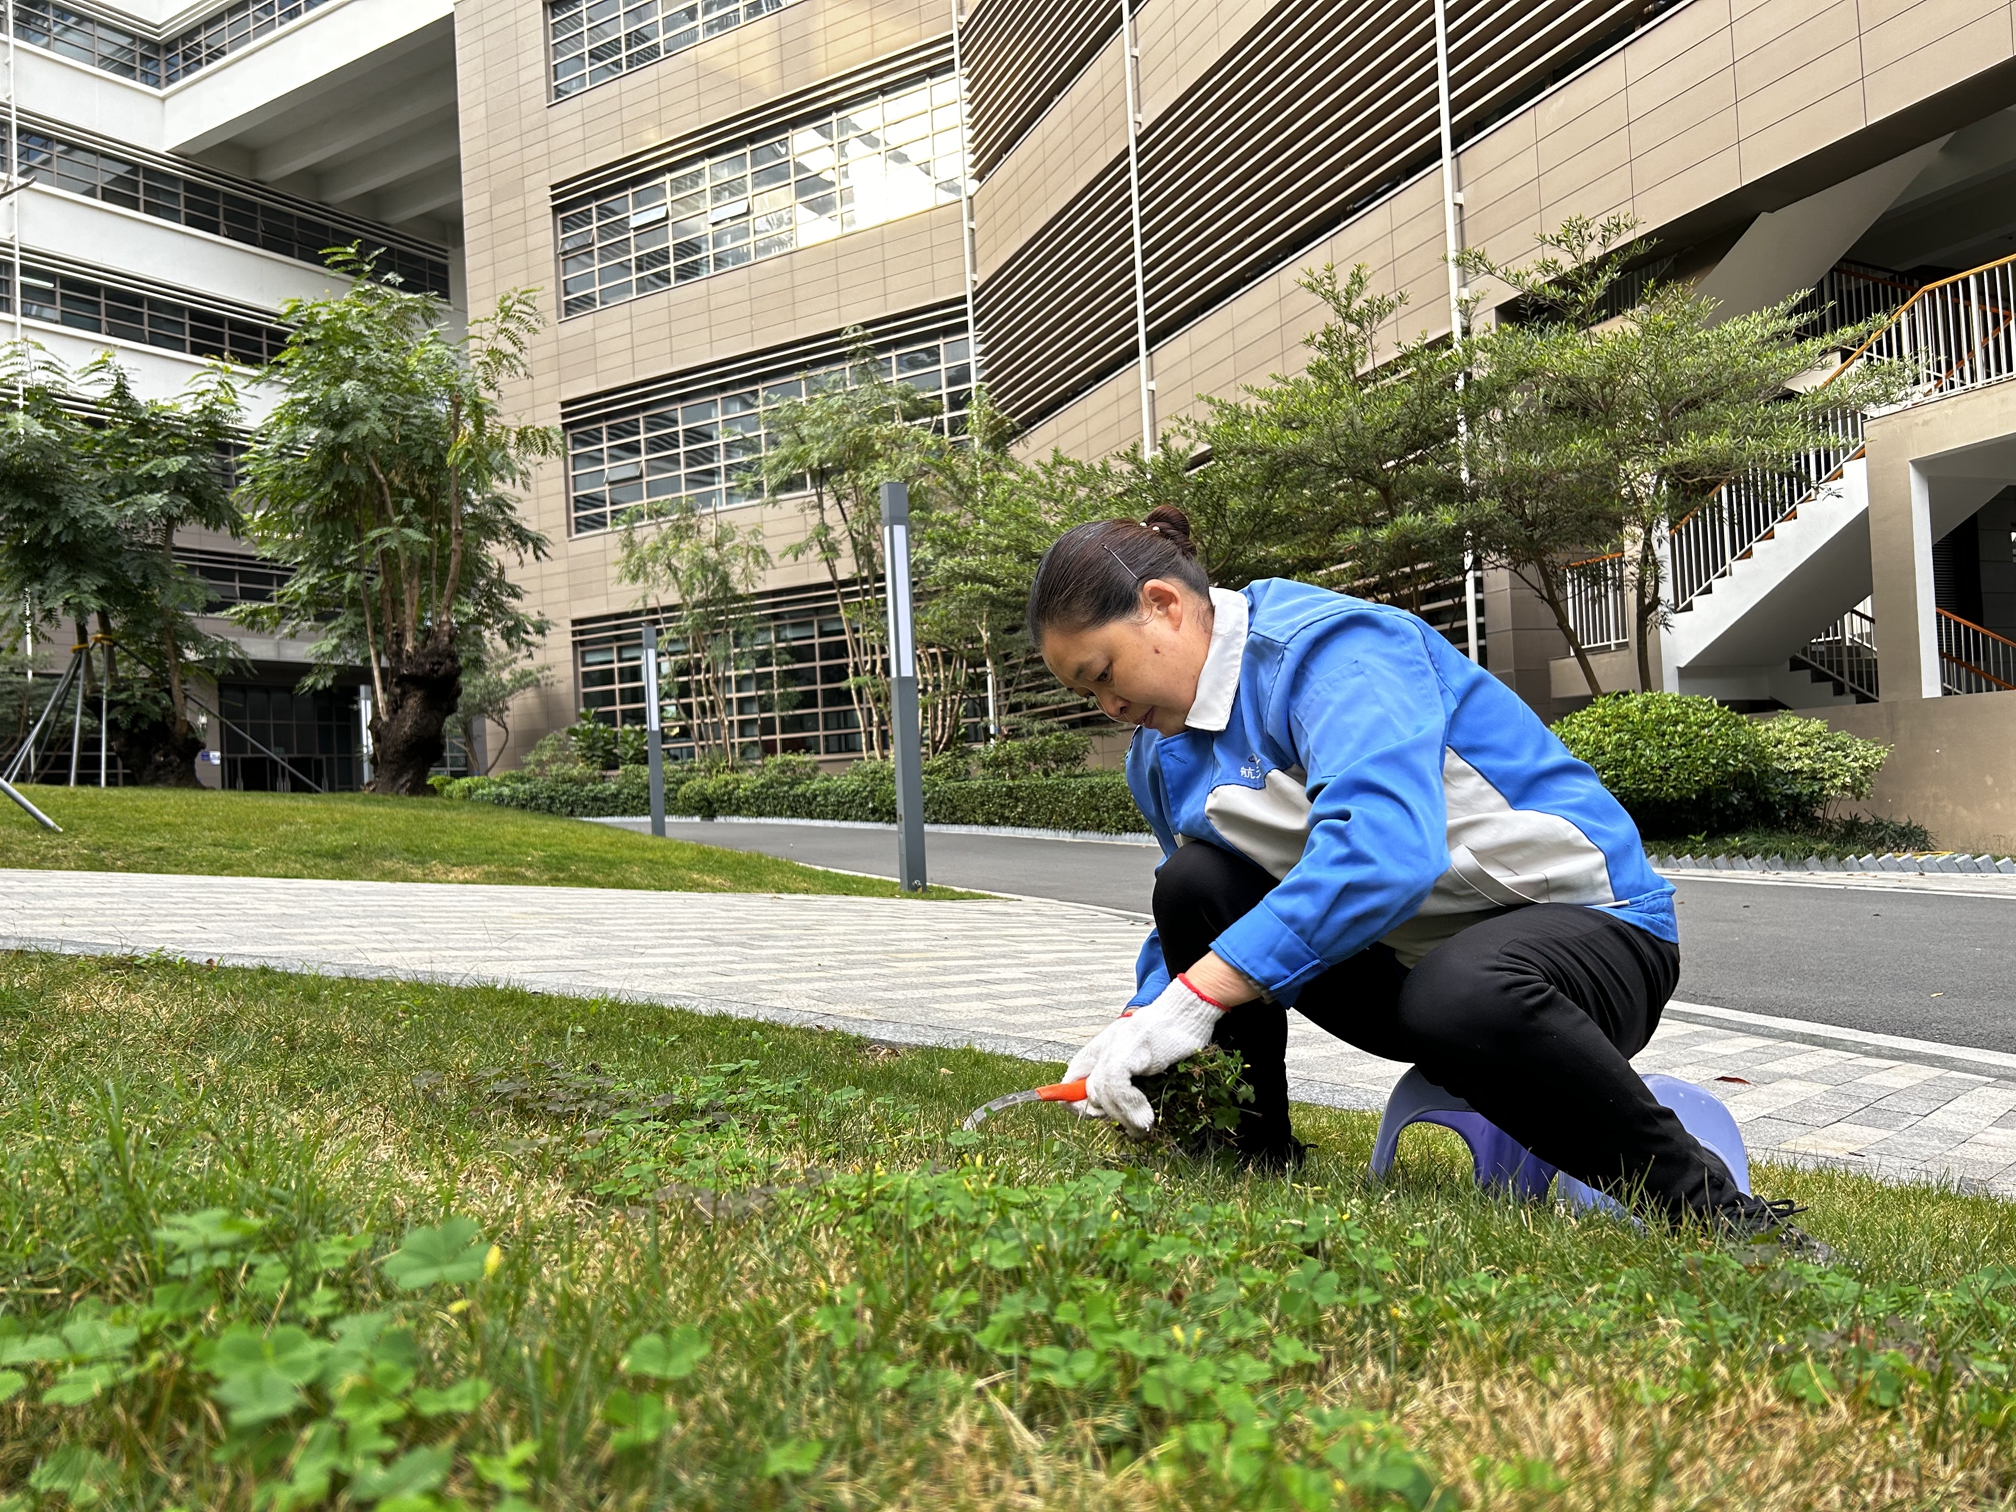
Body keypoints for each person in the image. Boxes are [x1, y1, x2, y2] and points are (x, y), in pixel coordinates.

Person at [1032, 504, 1824, 1251]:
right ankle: (1240, 1158)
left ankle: (1722, 1218)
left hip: (1591, 945)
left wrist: (1197, 995)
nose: (1108, 705)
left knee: (1460, 987)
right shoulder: (1159, 757)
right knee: (1193, 882)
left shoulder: (1336, 651)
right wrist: (1139, 1018)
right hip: (1403, 978)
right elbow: (1194, 915)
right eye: (1086, 693)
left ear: (1166, 605)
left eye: (1104, 673)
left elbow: (1384, 853)